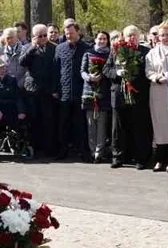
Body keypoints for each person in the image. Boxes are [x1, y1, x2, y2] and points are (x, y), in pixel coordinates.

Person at [106, 24, 152, 169]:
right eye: (128, 35)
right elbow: (107, 69)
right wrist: (117, 73)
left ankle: (140, 158)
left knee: (139, 127)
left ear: (139, 37)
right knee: (118, 129)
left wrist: (133, 74)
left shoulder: (145, 52)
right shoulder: (116, 50)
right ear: (123, 37)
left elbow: (148, 72)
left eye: (134, 35)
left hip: (138, 95)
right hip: (119, 95)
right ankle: (118, 157)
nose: (132, 38)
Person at [20, 24, 59, 158]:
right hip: (32, 89)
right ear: (34, 36)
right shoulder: (27, 48)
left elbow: (56, 69)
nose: (43, 38)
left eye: (44, 35)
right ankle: (34, 148)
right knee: (33, 118)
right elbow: (22, 63)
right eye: (40, 36)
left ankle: (49, 148)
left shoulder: (54, 48)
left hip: (48, 89)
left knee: (48, 120)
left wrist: (55, 88)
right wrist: (32, 48)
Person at [146, 23, 168, 172]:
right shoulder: (152, 53)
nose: (165, 37)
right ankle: (160, 159)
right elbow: (148, 71)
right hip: (158, 90)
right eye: (162, 35)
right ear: (158, 37)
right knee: (159, 124)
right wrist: (157, 78)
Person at [55, 20, 90, 160]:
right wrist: (55, 89)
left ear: (78, 32)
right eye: (66, 34)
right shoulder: (60, 48)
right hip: (64, 92)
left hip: (80, 91)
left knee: (80, 124)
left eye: (71, 33)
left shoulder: (86, 48)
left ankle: (83, 151)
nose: (69, 36)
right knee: (63, 123)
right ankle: (63, 150)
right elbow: (55, 69)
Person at [81, 31, 113, 163]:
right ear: (95, 39)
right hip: (89, 92)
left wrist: (102, 76)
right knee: (91, 124)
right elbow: (82, 71)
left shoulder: (110, 54)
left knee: (102, 124)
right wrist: (90, 77)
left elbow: (110, 70)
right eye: (100, 38)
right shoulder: (88, 53)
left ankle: (99, 152)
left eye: (104, 39)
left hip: (104, 92)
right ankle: (92, 150)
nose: (102, 41)